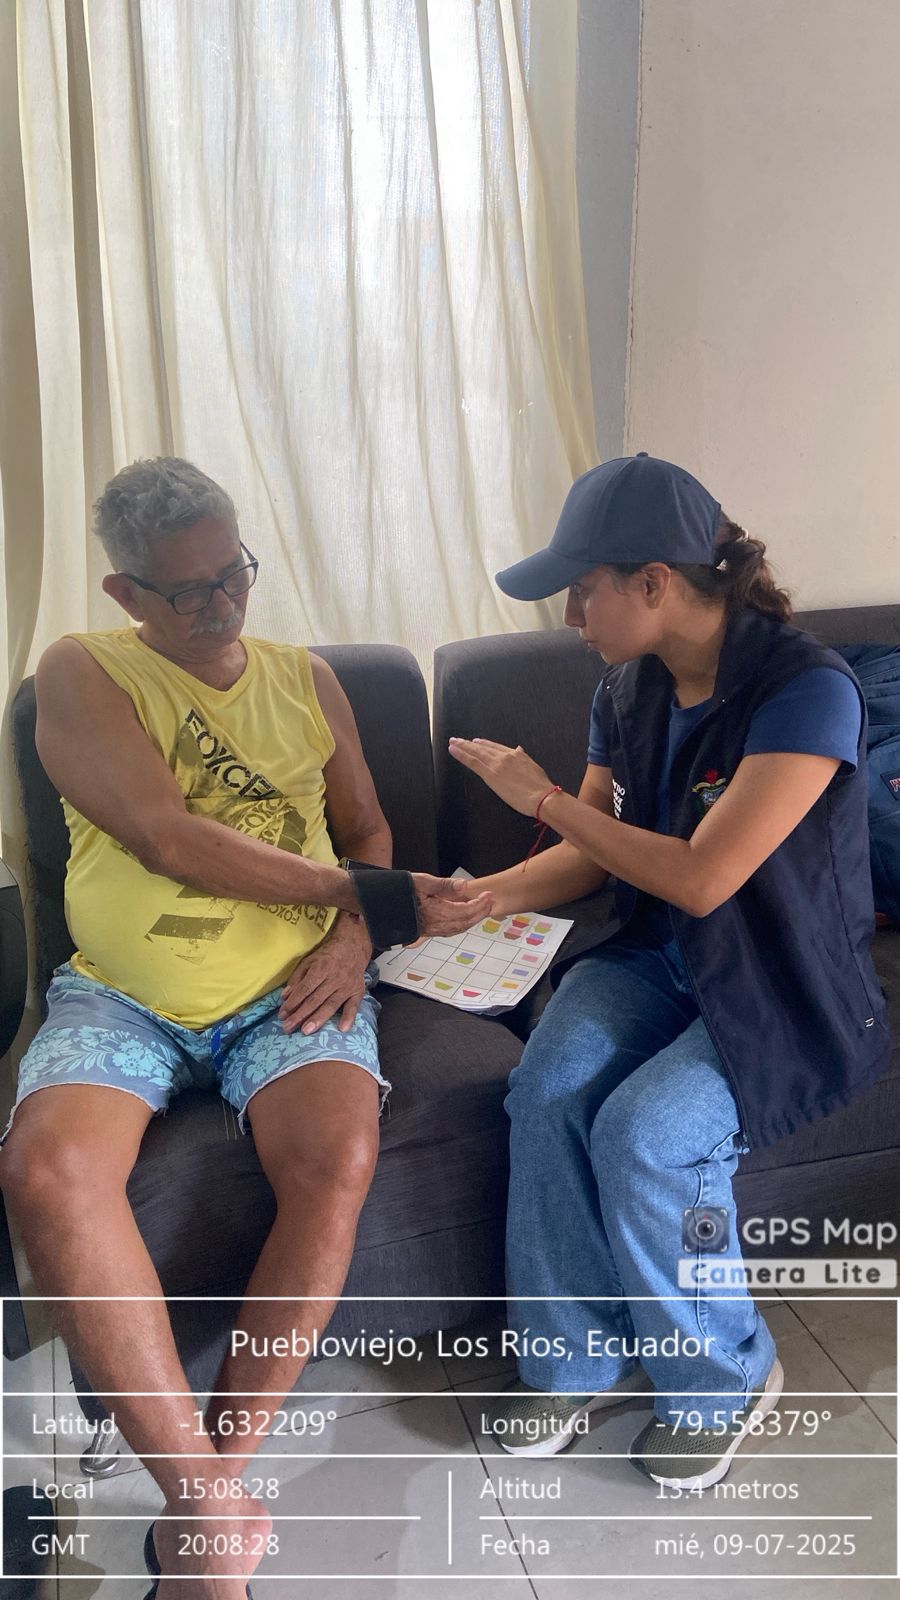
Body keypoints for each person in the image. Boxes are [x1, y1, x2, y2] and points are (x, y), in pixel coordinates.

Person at [0, 456, 492, 1599]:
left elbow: (367, 828)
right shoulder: (81, 670)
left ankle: (204, 1503)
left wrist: (358, 933)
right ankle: (212, 1514)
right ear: (127, 594)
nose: (225, 604)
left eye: (237, 573)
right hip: (123, 994)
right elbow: (167, 836)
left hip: (290, 984)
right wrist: (367, 895)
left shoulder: (305, 678)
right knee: (45, 1170)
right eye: (192, 591)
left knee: (337, 1157)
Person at [448, 452, 891, 1489]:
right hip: (657, 954)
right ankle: (574, 1358)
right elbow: (596, 848)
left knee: (647, 1131)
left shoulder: (805, 693)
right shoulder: (626, 687)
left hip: (780, 977)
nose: (570, 615)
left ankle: (725, 1374)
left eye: (582, 588)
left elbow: (701, 876)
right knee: (545, 1087)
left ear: (653, 581)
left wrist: (538, 798)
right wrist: (483, 897)